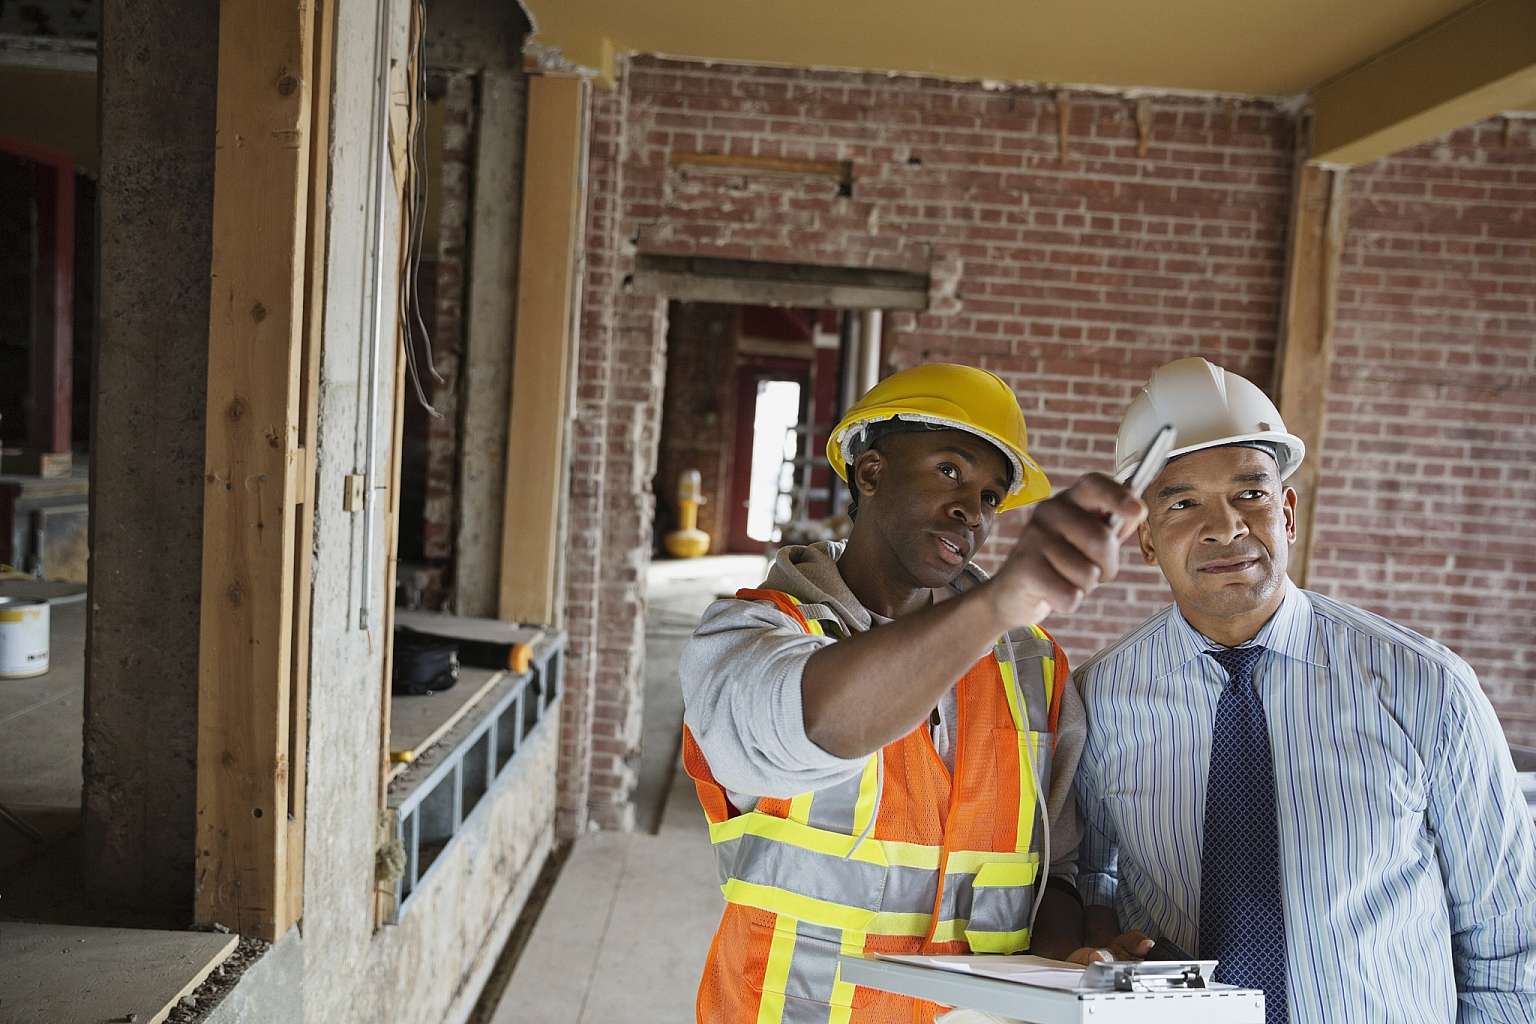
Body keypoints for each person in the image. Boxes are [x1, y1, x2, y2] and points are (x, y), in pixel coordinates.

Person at [679, 363, 1147, 1023]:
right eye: (950, 471)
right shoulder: (753, 634)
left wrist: (1069, 960)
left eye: (990, 497)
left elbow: (1054, 877)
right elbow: (817, 722)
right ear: (870, 474)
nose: (972, 511)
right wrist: (997, 602)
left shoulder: (1034, 666)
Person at [1075, 356, 1536, 1023]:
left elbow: (1508, 944)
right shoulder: (1102, 700)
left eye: (1251, 493)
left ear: (1286, 511)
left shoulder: (1426, 688)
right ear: (1145, 538)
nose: (1227, 526)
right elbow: (1091, 880)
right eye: (1182, 502)